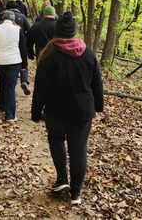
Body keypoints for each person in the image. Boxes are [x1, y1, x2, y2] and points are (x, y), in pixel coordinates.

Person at [31, 12, 103, 205]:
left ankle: (62, 178)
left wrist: (36, 112)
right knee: (79, 149)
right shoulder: (88, 53)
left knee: (56, 139)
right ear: (74, 32)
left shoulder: (49, 54)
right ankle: (76, 194)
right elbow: (97, 84)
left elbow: (40, 88)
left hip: (57, 111)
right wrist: (99, 106)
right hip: (82, 112)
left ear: (57, 31)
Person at [5, 0, 32, 94]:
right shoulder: (22, 17)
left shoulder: (4, 18)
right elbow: (29, 31)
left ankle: (11, 79)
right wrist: (26, 40)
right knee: (23, 61)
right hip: (21, 43)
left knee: (11, 62)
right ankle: (24, 80)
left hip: (8, 44)